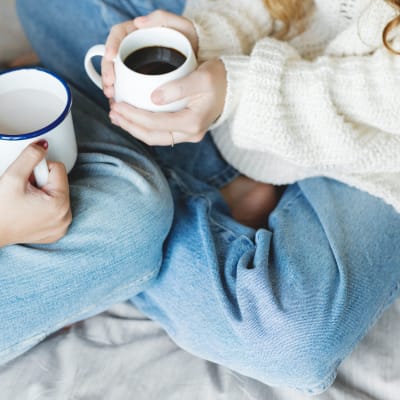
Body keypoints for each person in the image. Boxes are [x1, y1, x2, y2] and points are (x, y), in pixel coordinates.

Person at [10, 0, 400, 394]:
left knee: (287, 336)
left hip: (380, 152)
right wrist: (204, 37)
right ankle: (229, 183)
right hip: (271, 59)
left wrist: (238, 89)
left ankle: (106, 247)